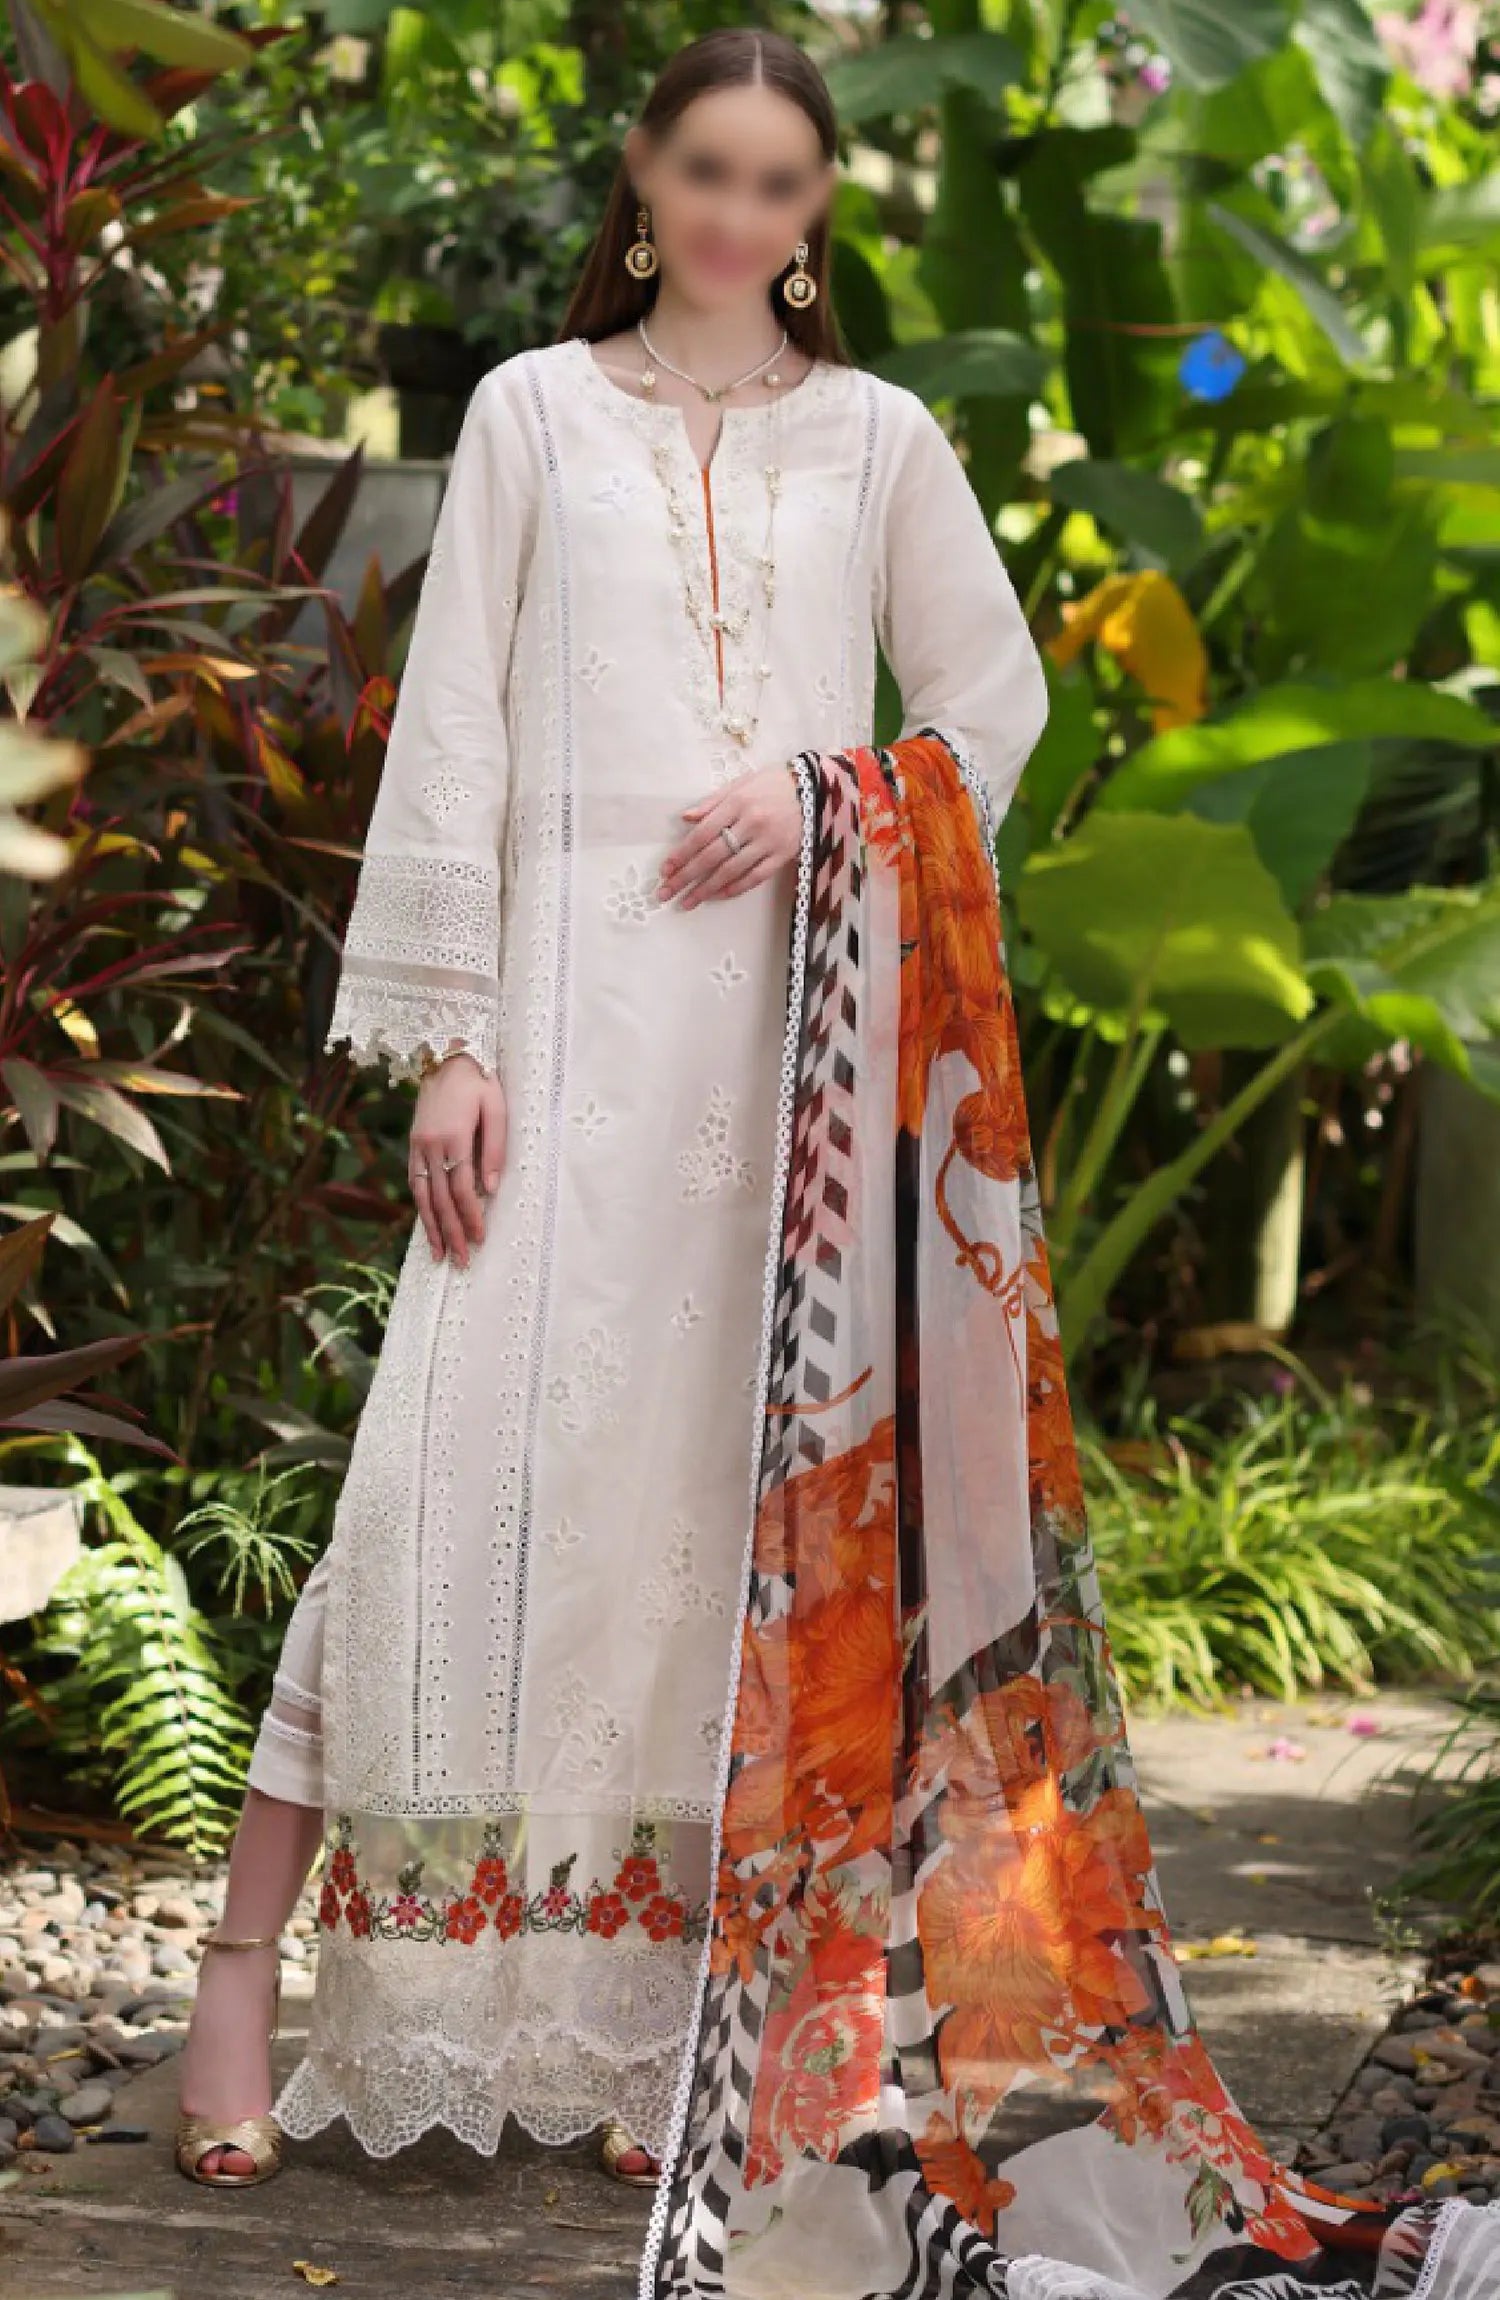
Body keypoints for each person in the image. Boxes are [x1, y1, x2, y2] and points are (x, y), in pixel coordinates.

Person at [173, 22, 1047, 2193]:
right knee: (442, 1471)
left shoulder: (878, 438)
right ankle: (245, 1968)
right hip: (563, 1011)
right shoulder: (531, 410)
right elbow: (455, 717)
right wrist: (451, 1038)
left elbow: (991, 697)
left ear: (816, 211)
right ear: (642, 178)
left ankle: (671, 2025)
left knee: (712, 1517)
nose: (739, 214)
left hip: (783, 1040)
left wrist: (828, 793)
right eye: (706, 171)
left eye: (779, 182)